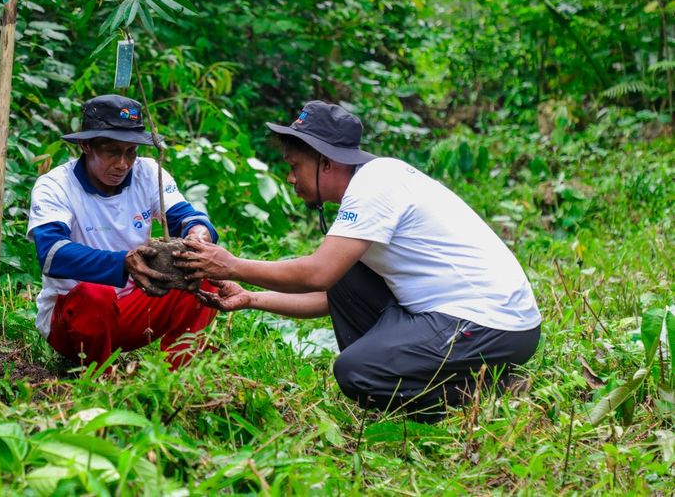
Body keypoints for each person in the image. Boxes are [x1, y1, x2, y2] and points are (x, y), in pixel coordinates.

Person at [176, 101, 541, 418]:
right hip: (464, 318)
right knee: (346, 277)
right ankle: (448, 379)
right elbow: (332, 294)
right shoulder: (373, 182)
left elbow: (318, 273)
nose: (290, 177)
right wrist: (252, 298)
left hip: (493, 324)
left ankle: (491, 391)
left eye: (295, 166)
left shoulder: (376, 186)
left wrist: (232, 264)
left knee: (357, 373)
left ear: (327, 163)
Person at [27, 94, 219, 369]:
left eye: (131, 152)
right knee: (97, 294)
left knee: (204, 271)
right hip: (72, 320)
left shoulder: (148, 173)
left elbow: (185, 216)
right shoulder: (56, 185)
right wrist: (122, 263)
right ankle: (96, 377)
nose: (123, 164)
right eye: (112, 152)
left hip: (134, 310)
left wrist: (199, 235)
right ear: (85, 145)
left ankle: (176, 377)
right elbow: (52, 254)